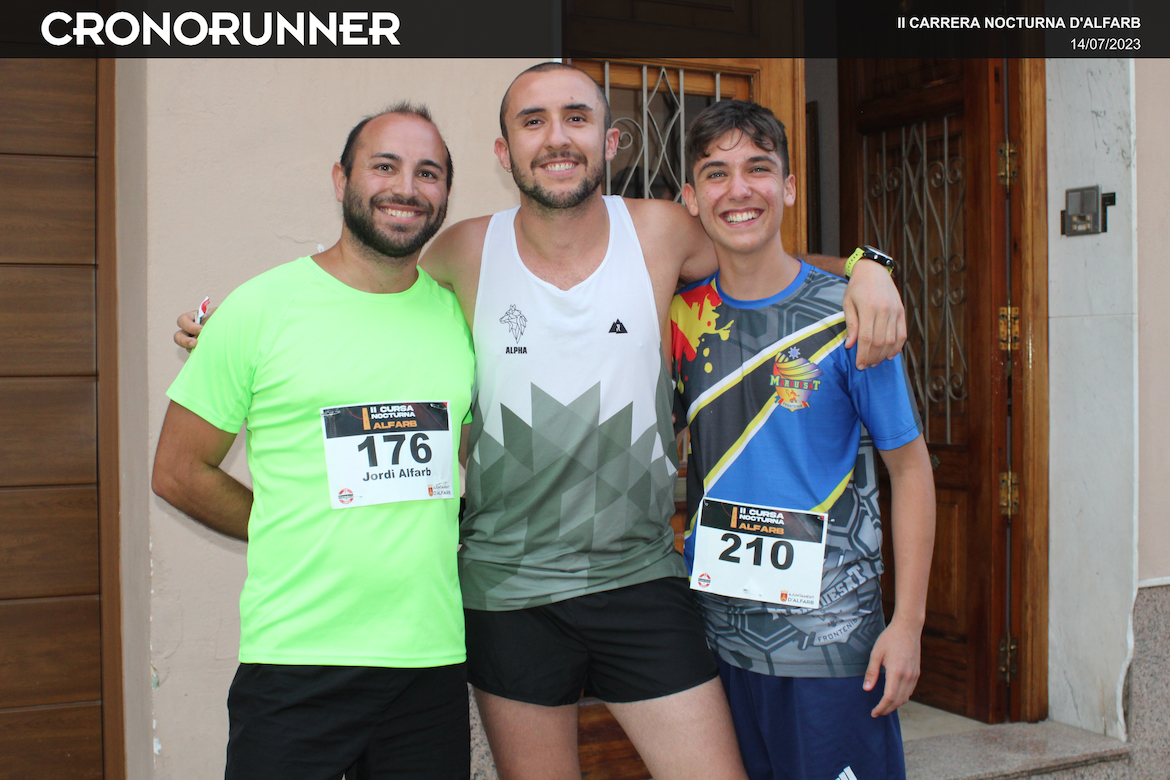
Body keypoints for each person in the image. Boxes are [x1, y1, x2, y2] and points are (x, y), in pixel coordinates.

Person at [176, 63, 908, 780]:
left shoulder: (661, 230)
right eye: (534, 121)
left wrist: (865, 266)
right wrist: (237, 331)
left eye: (576, 118)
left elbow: (764, 261)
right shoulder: (461, 251)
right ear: (504, 152)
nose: (557, 137)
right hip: (507, 592)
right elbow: (364, 286)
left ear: (610, 141)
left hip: (640, 577)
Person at [153, 104, 475, 780]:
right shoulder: (259, 309)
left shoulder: (460, 316)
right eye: (384, 166)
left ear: (446, 192)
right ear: (340, 179)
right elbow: (179, 471)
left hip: (429, 662)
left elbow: (465, 451)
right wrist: (283, 525)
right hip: (297, 662)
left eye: (428, 173)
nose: (406, 187)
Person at [670, 99, 936, 780]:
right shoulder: (681, 318)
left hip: (832, 648)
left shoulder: (851, 314)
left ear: (788, 188)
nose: (739, 189)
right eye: (716, 173)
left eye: (758, 169)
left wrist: (907, 624)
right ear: (691, 199)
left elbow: (910, 470)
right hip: (717, 647)